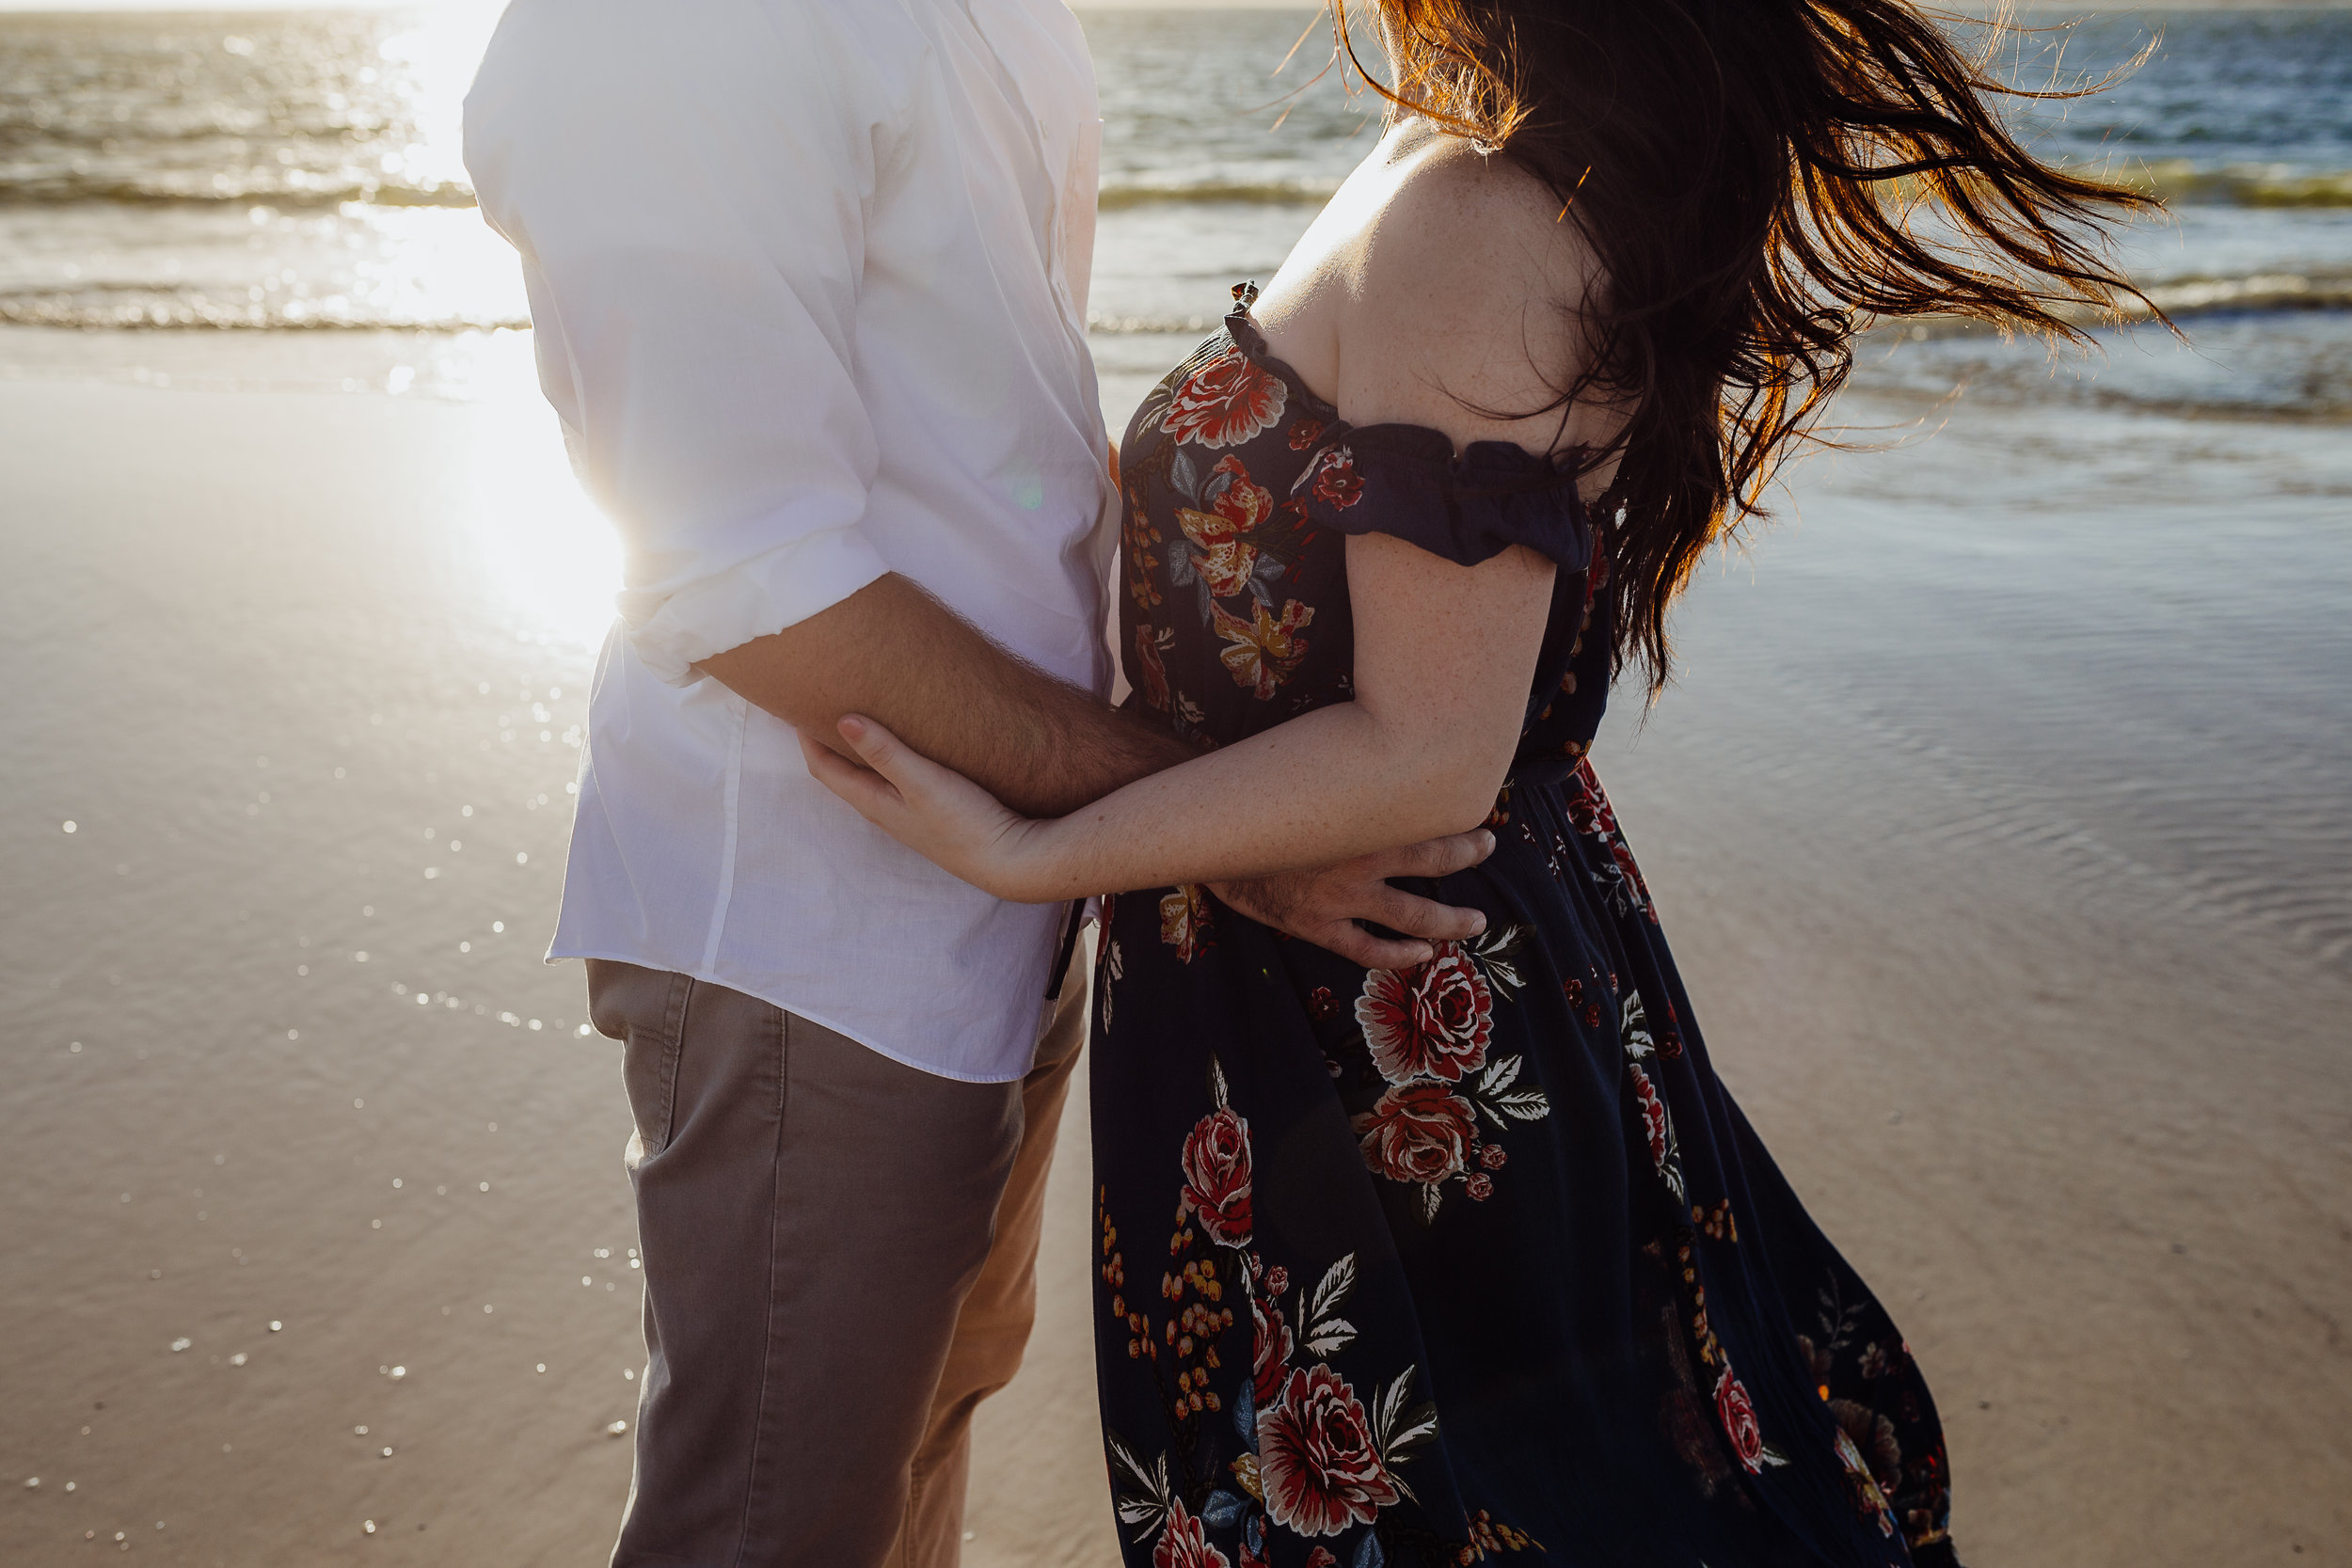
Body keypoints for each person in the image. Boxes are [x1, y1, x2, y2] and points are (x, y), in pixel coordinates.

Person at [803, 1, 2157, 1562]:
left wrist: (1040, 852)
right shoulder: (1450, 153)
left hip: (1396, 1022)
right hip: (1345, 970)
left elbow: (1428, 744)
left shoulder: (1486, 214)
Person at [462, 2, 1492, 1563]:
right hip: (820, 938)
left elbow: (991, 421)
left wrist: (1132, 826)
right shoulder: (665, 29)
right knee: (773, 1524)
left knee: (928, 1430)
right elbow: (749, 584)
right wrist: (1207, 828)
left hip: (1019, 876)